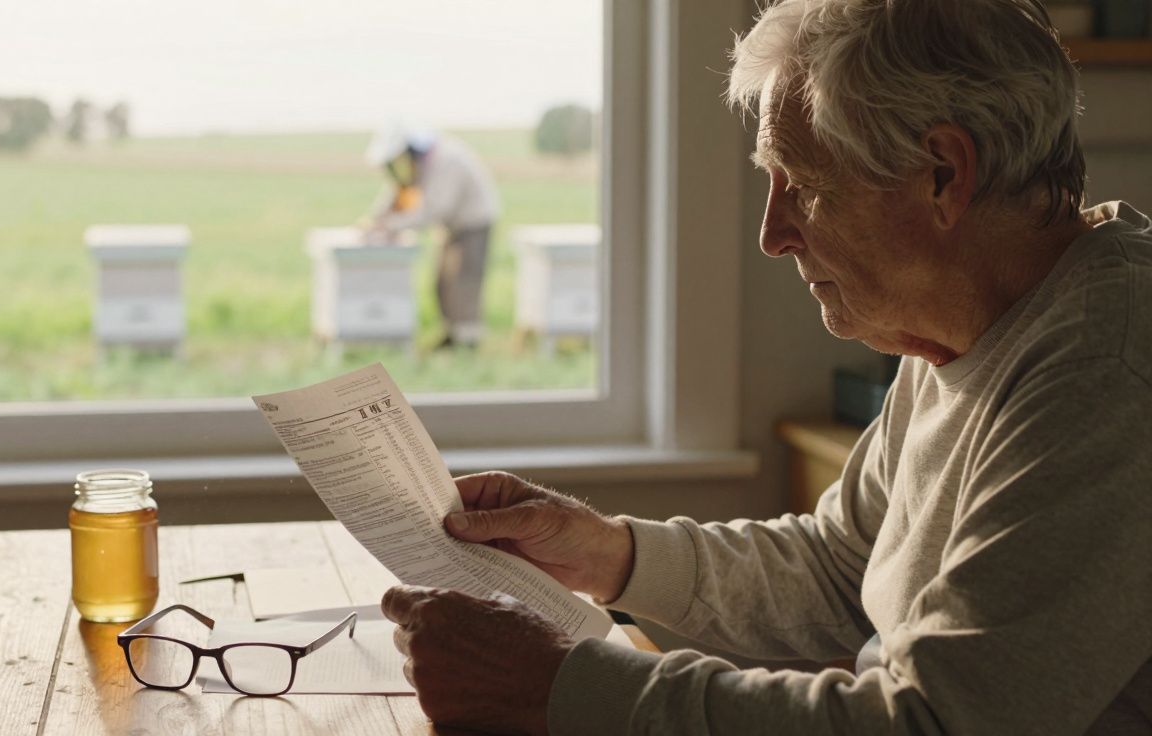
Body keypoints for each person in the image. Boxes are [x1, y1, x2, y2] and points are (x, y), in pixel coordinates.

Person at [380, 0, 1152, 733]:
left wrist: (562, 688)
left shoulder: (1107, 366)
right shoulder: (965, 323)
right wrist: (607, 552)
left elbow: (938, 723)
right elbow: (837, 570)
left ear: (943, 174)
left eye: (806, 187)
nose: (772, 233)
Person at [364, 122, 500, 348]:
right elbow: (398, 192)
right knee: (443, 283)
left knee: (463, 283)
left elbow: (436, 209)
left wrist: (392, 226)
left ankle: (467, 344)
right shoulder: (418, 164)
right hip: (451, 227)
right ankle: (451, 336)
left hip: (473, 224)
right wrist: (375, 220)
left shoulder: (447, 160)